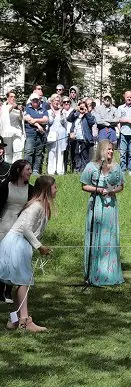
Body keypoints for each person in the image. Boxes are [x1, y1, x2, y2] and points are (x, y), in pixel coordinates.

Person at [0, 175, 56, 332]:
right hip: (17, 243)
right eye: (54, 187)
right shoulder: (36, 207)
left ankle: (14, 321)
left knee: (19, 281)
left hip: (21, 243)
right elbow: (25, 229)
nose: (56, 189)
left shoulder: (41, 206)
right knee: (23, 281)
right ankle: (25, 320)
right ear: (46, 189)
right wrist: (40, 247)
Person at [80, 140, 125, 286]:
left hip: (110, 206)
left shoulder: (116, 167)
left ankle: (110, 273)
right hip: (96, 204)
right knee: (95, 236)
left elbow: (121, 186)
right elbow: (84, 185)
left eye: (112, 150)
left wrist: (112, 191)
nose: (111, 152)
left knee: (109, 237)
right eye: (108, 149)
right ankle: (93, 272)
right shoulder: (92, 167)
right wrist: (98, 190)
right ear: (101, 151)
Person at [0, 160, 34, 304]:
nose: (30, 172)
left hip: (20, 227)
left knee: (15, 258)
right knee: (2, 258)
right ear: (19, 171)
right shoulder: (5, 186)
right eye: (28, 169)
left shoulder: (31, 189)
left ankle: (8, 291)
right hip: (4, 225)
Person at [23, 94, 49, 175]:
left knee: (38, 152)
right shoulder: (27, 108)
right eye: (34, 100)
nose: (35, 101)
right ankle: (27, 170)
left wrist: (35, 120)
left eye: (37, 100)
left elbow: (46, 120)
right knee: (29, 151)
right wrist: (38, 125)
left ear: (39, 100)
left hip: (40, 134)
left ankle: (35, 170)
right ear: (31, 101)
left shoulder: (43, 109)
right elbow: (28, 119)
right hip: (30, 133)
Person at [67, 101, 96, 172]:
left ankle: (85, 170)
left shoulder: (88, 116)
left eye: (84, 107)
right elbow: (69, 119)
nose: (82, 108)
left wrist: (87, 113)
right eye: (81, 107)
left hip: (84, 139)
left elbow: (92, 122)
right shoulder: (76, 115)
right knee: (76, 154)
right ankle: (77, 169)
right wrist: (75, 110)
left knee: (85, 155)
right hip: (75, 138)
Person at [1, 90, 25, 163]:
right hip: (7, 132)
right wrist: (12, 107)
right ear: (7, 98)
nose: (13, 98)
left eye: (14, 97)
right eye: (11, 97)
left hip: (17, 131)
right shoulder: (4, 107)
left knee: (17, 150)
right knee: (8, 151)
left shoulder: (17, 107)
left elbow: (21, 119)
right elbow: (4, 116)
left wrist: (20, 111)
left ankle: (16, 167)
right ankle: (8, 167)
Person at [46, 94, 68, 175]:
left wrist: (61, 113)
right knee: (52, 152)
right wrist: (53, 114)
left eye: (58, 101)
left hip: (62, 134)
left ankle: (60, 171)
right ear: (52, 101)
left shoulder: (63, 112)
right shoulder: (48, 111)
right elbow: (50, 122)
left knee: (60, 152)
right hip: (52, 134)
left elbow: (64, 122)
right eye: (55, 100)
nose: (57, 102)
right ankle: (51, 171)